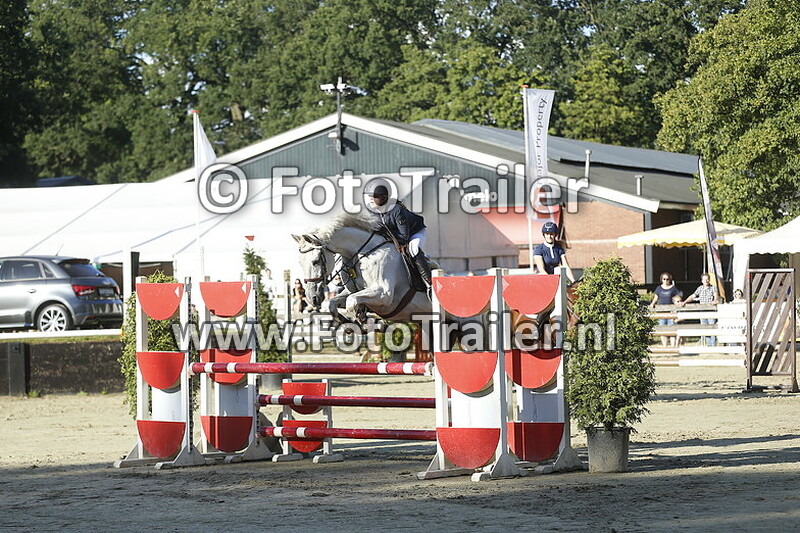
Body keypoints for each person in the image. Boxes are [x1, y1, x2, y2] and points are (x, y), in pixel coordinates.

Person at [370, 185, 431, 289]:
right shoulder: (376, 213)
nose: (371, 199)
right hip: (397, 235)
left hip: (415, 232)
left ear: (384, 198)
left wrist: (385, 232)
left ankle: (429, 282)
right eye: (370, 196)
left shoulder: (397, 210)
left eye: (374, 196)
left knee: (413, 249)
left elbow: (404, 236)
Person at [680, 272, 720, 346]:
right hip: (702, 310)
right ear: (702, 281)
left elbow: (716, 296)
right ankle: (708, 345)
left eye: (707, 279)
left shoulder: (713, 287)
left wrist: (715, 300)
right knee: (705, 328)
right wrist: (685, 302)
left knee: (712, 327)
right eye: (704, 279)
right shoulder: (700, 288)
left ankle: (713, 345)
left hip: (711, 310)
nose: (706, 281)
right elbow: (693, 296)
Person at [649, 272, 682, 347]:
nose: (666, 280)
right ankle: (665, 346)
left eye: (667, 279)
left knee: (671, 330)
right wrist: (653, 303)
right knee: (663, 330)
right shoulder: (659, 288)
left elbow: (678, 297)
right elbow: (656, 297)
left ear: (669, 280)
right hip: (661, 312)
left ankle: (673, 346)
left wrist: (678, 303)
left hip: (671, 312)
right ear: (661, 279)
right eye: (664, 279)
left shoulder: (673, 288)